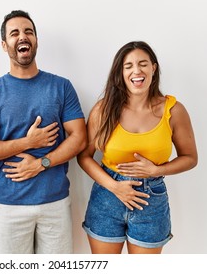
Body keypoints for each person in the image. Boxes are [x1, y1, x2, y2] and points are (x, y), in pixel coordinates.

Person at [0, 10, 87, 254]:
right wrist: (27, 142)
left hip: (55, 202)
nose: (22, 37)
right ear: (5, 45)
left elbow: (79, 138)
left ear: (35, 41)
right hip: (9, 206)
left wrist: (42, 163)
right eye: (14, 33)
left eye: (28, 32)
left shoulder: (61, 86)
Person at [77, 41, 198, 254]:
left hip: (150, 201)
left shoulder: (174, 110)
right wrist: (114, 187)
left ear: (154, 68)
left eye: (143, 64)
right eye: (128, 66)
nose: (136, 71)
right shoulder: (103, 109)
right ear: (120, 73)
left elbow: (190, 157)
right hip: (107, 197)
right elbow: (84, 157)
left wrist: (157, 170)